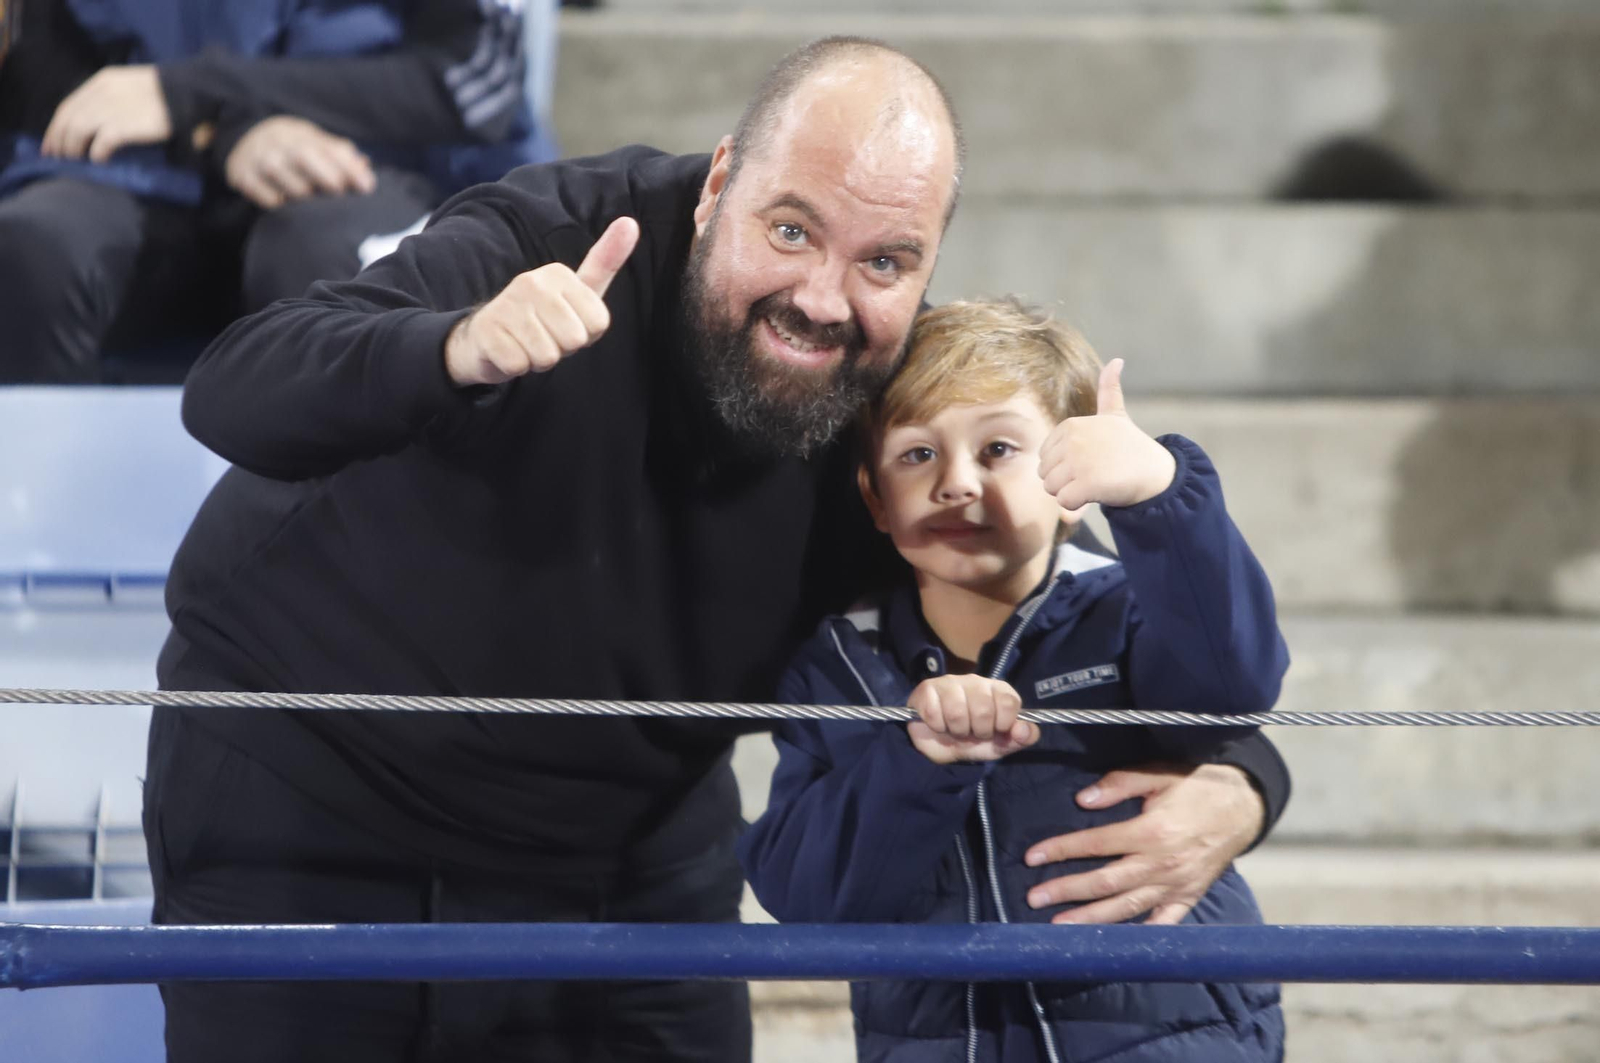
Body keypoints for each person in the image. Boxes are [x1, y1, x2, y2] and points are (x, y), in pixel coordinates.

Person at [145, 36, 1290, 1063]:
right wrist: (456, 348)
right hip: (314, 809)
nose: (822, 297)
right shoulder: (554, 242)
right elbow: (237, 392)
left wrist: (1242, 776)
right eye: (790, 229)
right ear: (717, 186)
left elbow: (1070, 610)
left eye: (885, 261)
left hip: (628, 849)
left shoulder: (892, 415)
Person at [739, 298, 1287, 1062]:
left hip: (1165, 1039)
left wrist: (1163, 498)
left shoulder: (1129, 609)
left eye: (998, 447)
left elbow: (1231, 682)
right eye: (917, 454)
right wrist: (918, 760)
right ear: (873, 498)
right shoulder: (835, 665)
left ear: (1071, 477)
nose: (958, 482)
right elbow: (807, 893)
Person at [0, 0, 551, 383]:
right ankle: (44, 535)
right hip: (156, 164)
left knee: (316, 271)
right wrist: (217, 132)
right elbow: (37, 70)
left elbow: (474, 82)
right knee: (34, 248)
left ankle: (340, 541)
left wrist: (202, 94)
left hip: (371, 163)